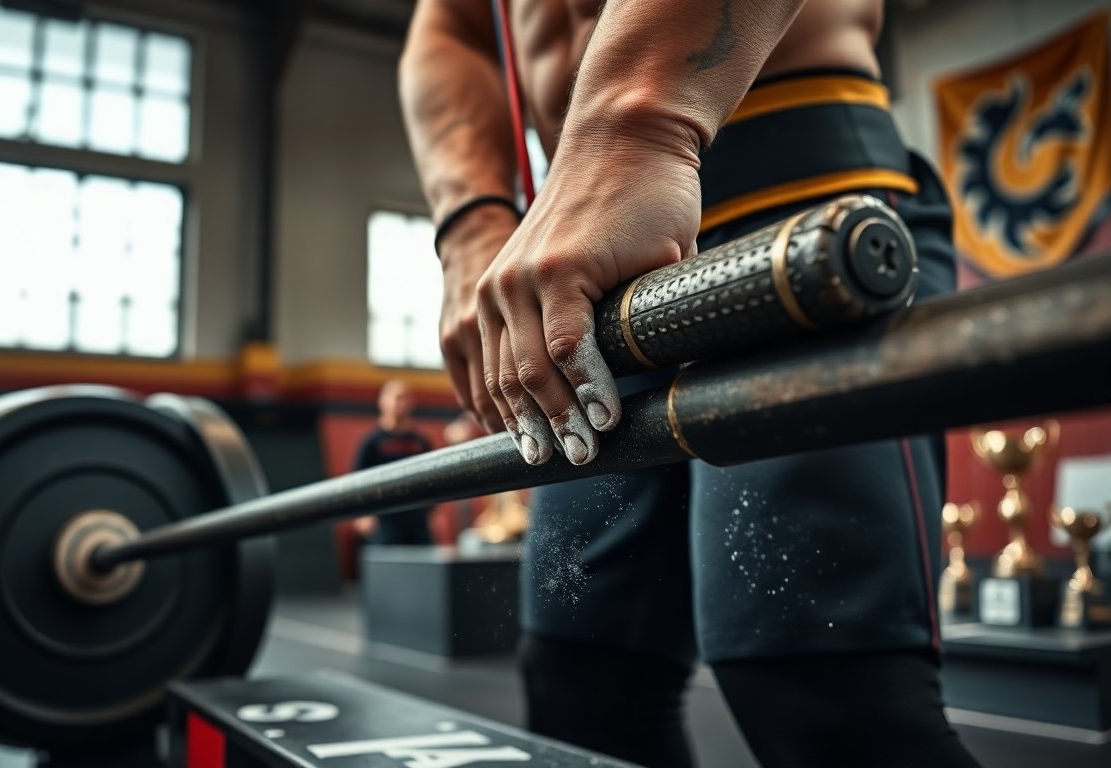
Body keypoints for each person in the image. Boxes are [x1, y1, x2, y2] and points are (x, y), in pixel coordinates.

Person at [400, 1, 981, 766]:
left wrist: (634, 124)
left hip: (791, 198)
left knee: (823, 694)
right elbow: (450, 28)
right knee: (582, 681)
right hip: (589, 254)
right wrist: (473, 225)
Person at [352, 380, 435, 546]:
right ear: (382, 401)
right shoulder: (372, 443)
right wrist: (363, 514)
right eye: (396, 397)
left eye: (404, 398)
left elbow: (433, 480)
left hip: (416, 523)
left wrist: (429, 511)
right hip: (384, 523)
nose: (400, 403)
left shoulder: (420, 443)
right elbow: (357, 481)